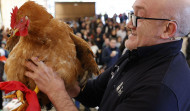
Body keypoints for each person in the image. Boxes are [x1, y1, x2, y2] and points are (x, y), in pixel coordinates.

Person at [25, 0, 190, 111]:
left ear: (167, 29)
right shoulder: (137, 54)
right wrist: (61, 81)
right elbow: (95, 92)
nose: (129, 24)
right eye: (131, 14)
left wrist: (57, 92)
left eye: (138, 17)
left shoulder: (159, 93)